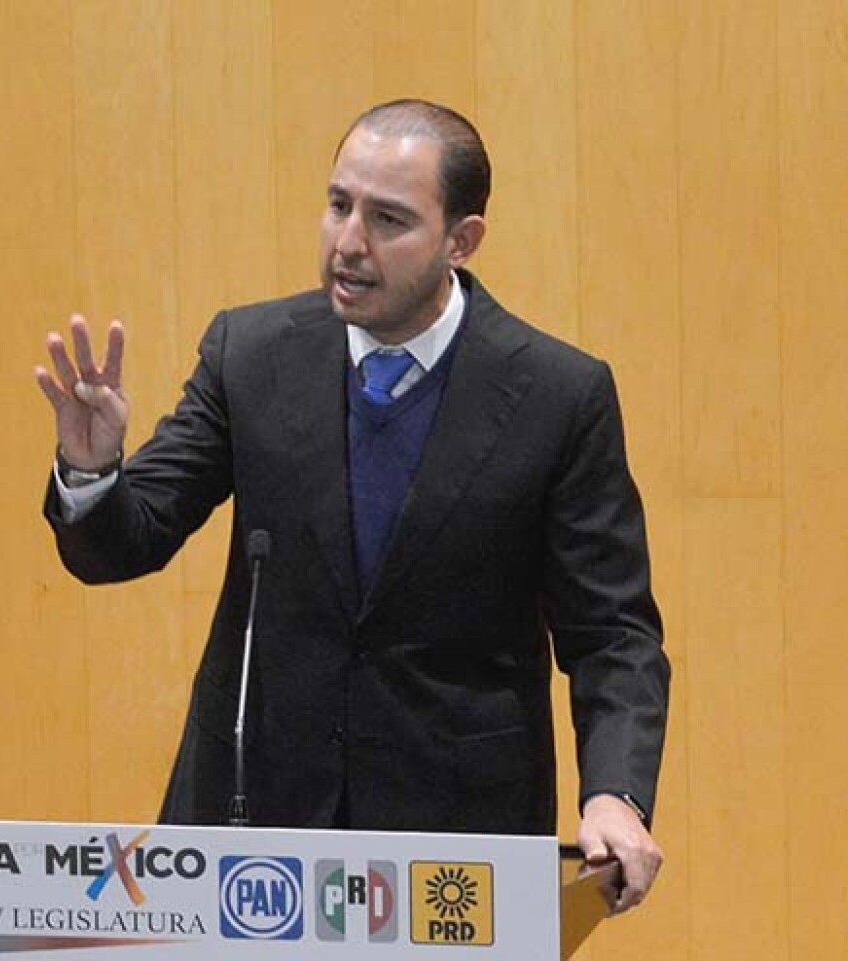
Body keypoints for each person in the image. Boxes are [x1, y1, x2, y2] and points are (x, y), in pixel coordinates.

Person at [35, 99, 668, 914]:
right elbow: (128, 540)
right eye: (338, 204)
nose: (348, 242)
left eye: (389, 218)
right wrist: (91, 471)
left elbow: (613, 631)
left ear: (461, 240)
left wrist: (615, 791)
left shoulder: (558, 395)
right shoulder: (251, 355)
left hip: (451, 847)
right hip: (254, 834)